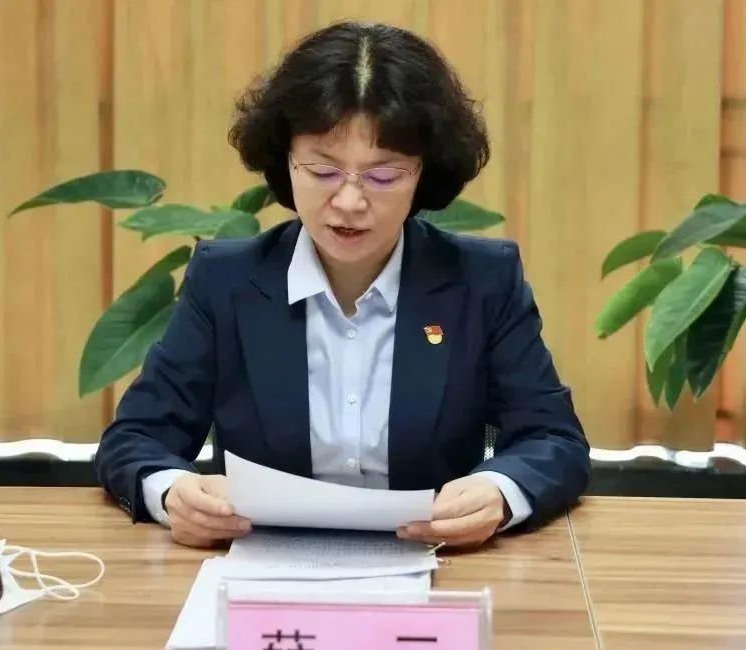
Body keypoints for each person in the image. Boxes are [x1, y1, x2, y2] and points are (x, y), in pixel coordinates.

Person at [95, 21, 590, 549]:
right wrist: (171, 492)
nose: (350, 202)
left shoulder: (481, 282)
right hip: (263, 567)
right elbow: (134, 439)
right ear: (286, 161)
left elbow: (553, 439)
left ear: (424, 173)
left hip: (436, 562)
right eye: (323, 171)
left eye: (383, 176)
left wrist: (500, 492)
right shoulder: (227, 282)